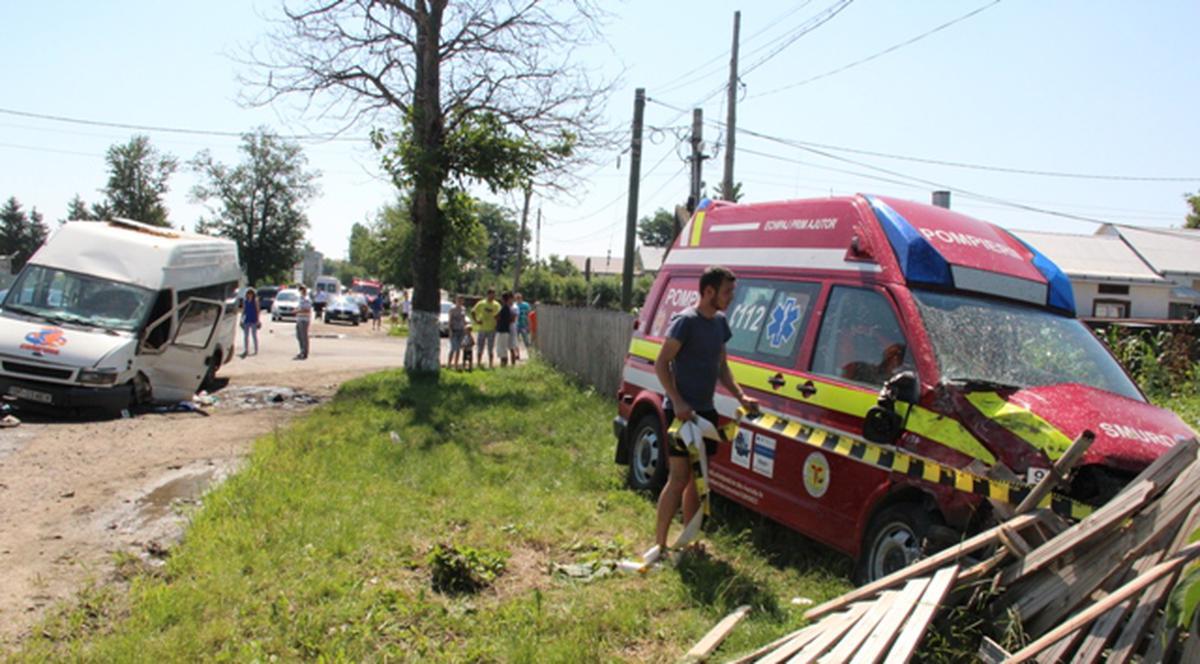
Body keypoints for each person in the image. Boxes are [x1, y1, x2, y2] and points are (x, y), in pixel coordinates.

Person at [653, 266, 758, 555]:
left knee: (700, 480)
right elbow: (662, 365)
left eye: (732, 292)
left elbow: (722, 366)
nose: (731, 298)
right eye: (727, 292)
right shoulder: (685, 323)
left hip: (706, 413)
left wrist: (741, 396)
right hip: (680, 414)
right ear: (708, 291)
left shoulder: (720, 323)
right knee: (678, 478)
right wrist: (678, 401)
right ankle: (659, 545)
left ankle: (690, 542)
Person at [472, 288, 501, 368]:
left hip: (492, 329)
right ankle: (478, 363)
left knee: (490, 347)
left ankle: (491, 364)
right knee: (480, 346)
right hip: (482, 328)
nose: (493, 296)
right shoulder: (481, 303)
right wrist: (476, 321)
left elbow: (500, 314)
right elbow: (473, 311)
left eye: (494, 295)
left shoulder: (497, 305)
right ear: (488, 294)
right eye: (491, 294)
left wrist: (497, 321)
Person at [447, 295, 468, 370]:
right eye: (458, 300)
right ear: (455, 301)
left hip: (461, 330)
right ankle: (449, 364)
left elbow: (464, 319)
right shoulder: (452, 309)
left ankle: (456, 365)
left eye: (461, 300)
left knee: (459, 349)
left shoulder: (463, 309)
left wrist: (466, 328)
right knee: (453, 348)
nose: (460, 302)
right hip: (454, 330)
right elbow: (449, 321)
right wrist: (450, 331)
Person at [496, 291, 515, 367]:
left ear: (503, 299)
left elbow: (498, 317)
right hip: (505, 330)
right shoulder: (507, 308)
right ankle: (503, 364)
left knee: (502, 349)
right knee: (502, 348)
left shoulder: (504, 308)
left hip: (503, 330)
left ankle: (503, 365)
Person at [240, 288, 261, 357]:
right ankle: (246, 350)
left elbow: (258, 310)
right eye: (248, 293)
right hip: (247, 319)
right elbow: (243, 310)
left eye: (251, 293)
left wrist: (258, 320)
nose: (249, 295)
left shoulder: (255, 301)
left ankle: (256, 349)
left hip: (253, 319)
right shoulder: (245, 301)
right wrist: (241, 319)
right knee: (246, 336)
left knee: (254, 335)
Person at [295, 285, 312, 360]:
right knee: (299, 336)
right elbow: (300, 307)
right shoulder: (300, 298)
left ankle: (305, 352)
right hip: (299, 319)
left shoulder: (306, 299)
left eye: (301, 290)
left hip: (304, 320)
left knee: (304, 337)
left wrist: (298, 311)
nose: (300, 292)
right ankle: (301, 350)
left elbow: (307, 310)